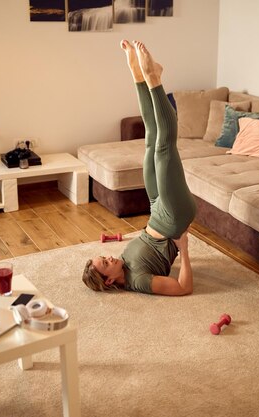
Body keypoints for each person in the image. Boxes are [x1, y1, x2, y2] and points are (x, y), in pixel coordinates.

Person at [82, 40, 195, 296]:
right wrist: (184, 249)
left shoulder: (123, 262)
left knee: (150, 141)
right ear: (110, 281)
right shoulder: (139, 281)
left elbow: (143, 248)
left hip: (156, 210)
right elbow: (183, 288)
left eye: (104, 258)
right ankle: (153, 79)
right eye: (106, 264)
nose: (110, 258)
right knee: (164, 146)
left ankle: (139, 76)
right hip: (174, 217)